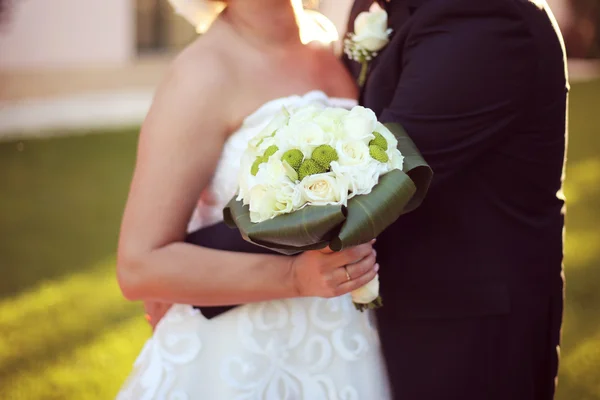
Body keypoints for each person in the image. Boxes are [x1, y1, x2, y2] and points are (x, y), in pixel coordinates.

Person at [183, 0, 569, 399]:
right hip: (374, 312)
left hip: (472, 334)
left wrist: (184, 265)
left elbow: (377, 181)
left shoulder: (484, 19)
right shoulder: (373, 6)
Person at [116, 0, 391, 398]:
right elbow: (140, 265)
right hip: (244, 355)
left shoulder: (334, 47)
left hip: (352, 337)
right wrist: (293, 279)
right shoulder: (202, 72)